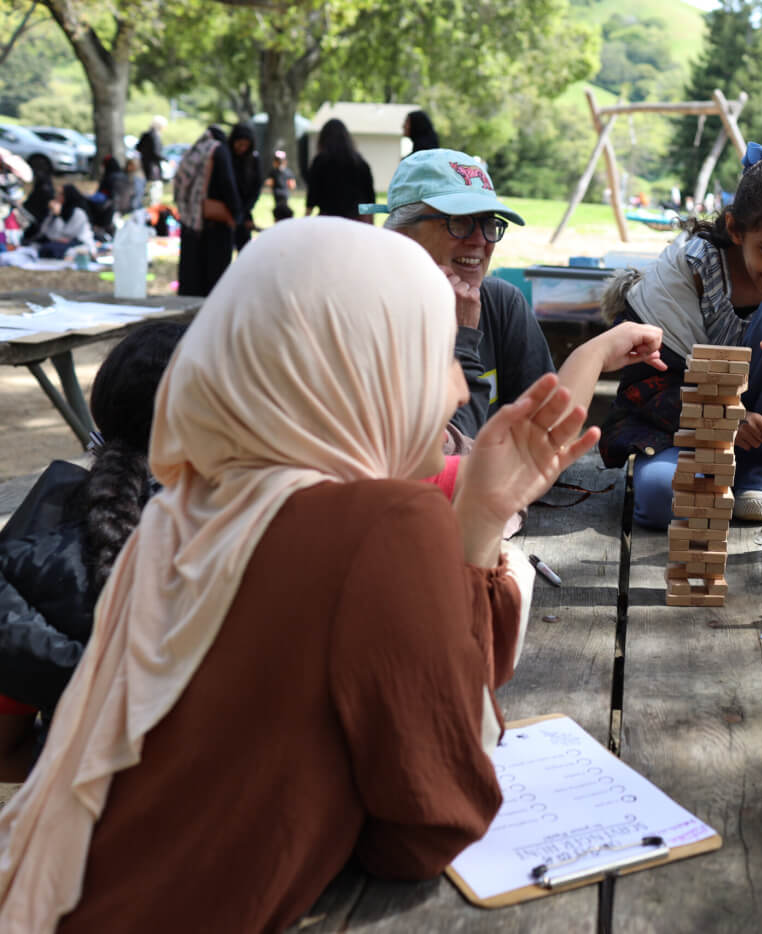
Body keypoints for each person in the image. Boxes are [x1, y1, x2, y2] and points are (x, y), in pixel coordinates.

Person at [0, 217, 600, 932]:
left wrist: (479, 515)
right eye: (437, 355)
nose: (450, 394)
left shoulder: (187, 509)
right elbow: (430, 824)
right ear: (360, 370)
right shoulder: (381, 525)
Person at [598, 142, 762, 525]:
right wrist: (721, 418)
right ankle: (719, 479)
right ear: (736, 229)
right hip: (690, 432)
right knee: (659, 495)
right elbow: (643, 385)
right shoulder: (687, 276)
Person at [365, 149, 665, 439]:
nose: (481, 239)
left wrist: (595, 354)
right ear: (401, 235)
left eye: (489, 223)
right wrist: (463, 339)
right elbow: (447, 463)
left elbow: (543, 436)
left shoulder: (500, 305)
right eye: (458, 222)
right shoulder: (369, 319)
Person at [0, 322, 185, 778]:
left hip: (78, 827)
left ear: (103, 413)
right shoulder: (256, 548)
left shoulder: (29, 554)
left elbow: (6, 749)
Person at [173, 126, 241, 297]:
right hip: (214, 220)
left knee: (193, 272)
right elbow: (227, 184)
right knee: (214, 276)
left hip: (191, 218)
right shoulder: (218, 150)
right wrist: (236, 212)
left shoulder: (196, 150)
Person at [305, 118, 375, 222]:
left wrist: (306, 218)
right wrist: (370, 222)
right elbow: (369, 197)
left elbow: (312, 197)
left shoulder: (320, 161)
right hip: (355, 220)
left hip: (328, 219)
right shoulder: (359, 162)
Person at [26, 185, 94, 260]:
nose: (57, 196)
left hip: (77, 241)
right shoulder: (56, 211)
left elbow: (68, 234)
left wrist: (58, 216)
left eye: (60, 194)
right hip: (57, 241)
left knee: (51, 249)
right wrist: (54, 215)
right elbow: (46, 232)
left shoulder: (78, 213)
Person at [227, 122, 261, 250]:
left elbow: (256, 187)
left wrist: (246, 209)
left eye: (246, 145)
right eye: (240, 144)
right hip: (228, 211)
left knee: (245, 248)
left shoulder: (253, 159)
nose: (242, 148)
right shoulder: (226, 157)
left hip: (245, 210)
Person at [135, 115, 166, 206]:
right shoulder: (155, 136)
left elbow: (138, 148)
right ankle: (152, 210)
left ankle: (146, 206)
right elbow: (156, 153)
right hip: (153, 168)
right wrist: (166, 160)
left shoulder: (146, 135)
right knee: (154, 191)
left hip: (144, 166)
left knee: (146, 190)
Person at [265, 149, 294, 221]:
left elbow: (270, 183)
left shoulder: (273, 172)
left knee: (278, 210)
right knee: (284, 209)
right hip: (285, 194)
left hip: (277, 193)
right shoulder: (288, 171)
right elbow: (292, 185)